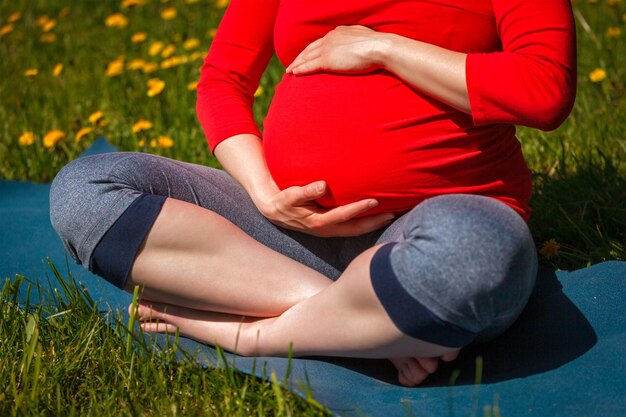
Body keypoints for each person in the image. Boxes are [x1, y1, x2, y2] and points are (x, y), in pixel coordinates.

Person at [50, 0, 576, 387]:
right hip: (281, 234)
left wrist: (383, 46)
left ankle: (255, 335)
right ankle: (357, 319)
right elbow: (222, 81)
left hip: (432, 223)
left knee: (472, 259)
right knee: (83, 190)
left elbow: (544, 87)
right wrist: (263, 193)